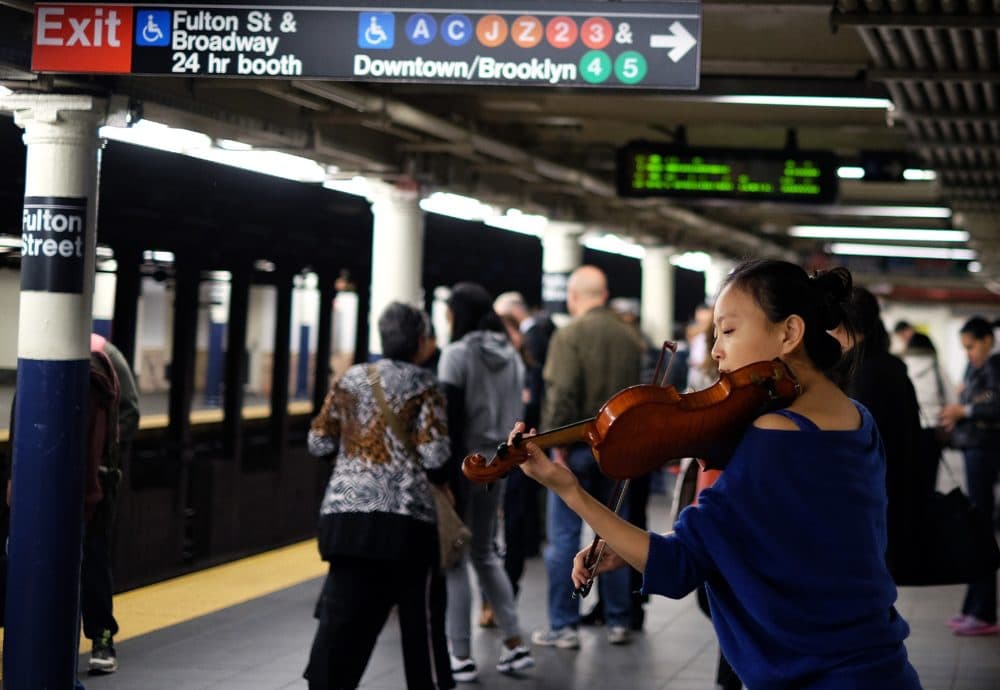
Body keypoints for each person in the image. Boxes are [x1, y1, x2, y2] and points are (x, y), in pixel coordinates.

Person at [513, 259, 922, 688]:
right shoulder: (858, 419)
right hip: (880, 665)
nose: (715, 351)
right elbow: (800, 541)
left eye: (727, 331)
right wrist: (646, 544)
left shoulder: (774, 434)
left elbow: (677, 569)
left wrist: (569, 490)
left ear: (790, 333)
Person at [304, 302, 454, 690]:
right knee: (418, 620)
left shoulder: (351, 379)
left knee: (342, 614)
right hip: (405, 523)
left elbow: (318, 442)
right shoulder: (425, 385)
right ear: (421, 341)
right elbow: (436, 456)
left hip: (345, 518)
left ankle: (325, 683)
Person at [531, 265, 644, 649]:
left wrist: (552, 444)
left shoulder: (569, 335)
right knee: (615, 535)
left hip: (577, 449)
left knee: (563, 536)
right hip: (619, 453)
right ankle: (618, 621)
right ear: (605, 294)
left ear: (575, 297)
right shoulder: (630, 337)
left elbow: (561, 394)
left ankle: (563, 626)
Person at [437, 283, 534, 682]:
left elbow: (450, 422)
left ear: (458, 314)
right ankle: (514, 645)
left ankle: (459, 654)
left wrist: (445, 478)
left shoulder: (456, 355)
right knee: (486, 553)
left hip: (465, 466)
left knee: (456, 558)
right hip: (499, 465)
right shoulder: (511, 356)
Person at [830, 287, 924, 583]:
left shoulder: (862, 374)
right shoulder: (889, 365)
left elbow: (857, 448)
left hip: (870, 501)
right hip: (892, 494)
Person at [939, 316, 1000, 636]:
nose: (969, 353)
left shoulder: (995, 365)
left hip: (986, 449)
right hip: (975, 448)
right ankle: (974, 607)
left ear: (988, 339)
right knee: (977, 523)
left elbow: (994, 405)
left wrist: (964, 411)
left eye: (972, 346)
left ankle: (984, 610)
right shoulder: (978, 368)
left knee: (980, 525)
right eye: (965, 348)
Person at [84, 334, 140, 675]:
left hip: (97, 479)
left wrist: (103, 457)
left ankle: (102, 637)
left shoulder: (103, 353)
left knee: (93, 559)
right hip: (55, 477)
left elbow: (130, 411)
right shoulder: (44, 343)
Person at [901, 332, 951, 496]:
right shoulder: (937, 366)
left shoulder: (902, 366)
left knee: (909, 481)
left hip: (908, 429)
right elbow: (951, 398)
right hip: (933, 431)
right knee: (929, 482)